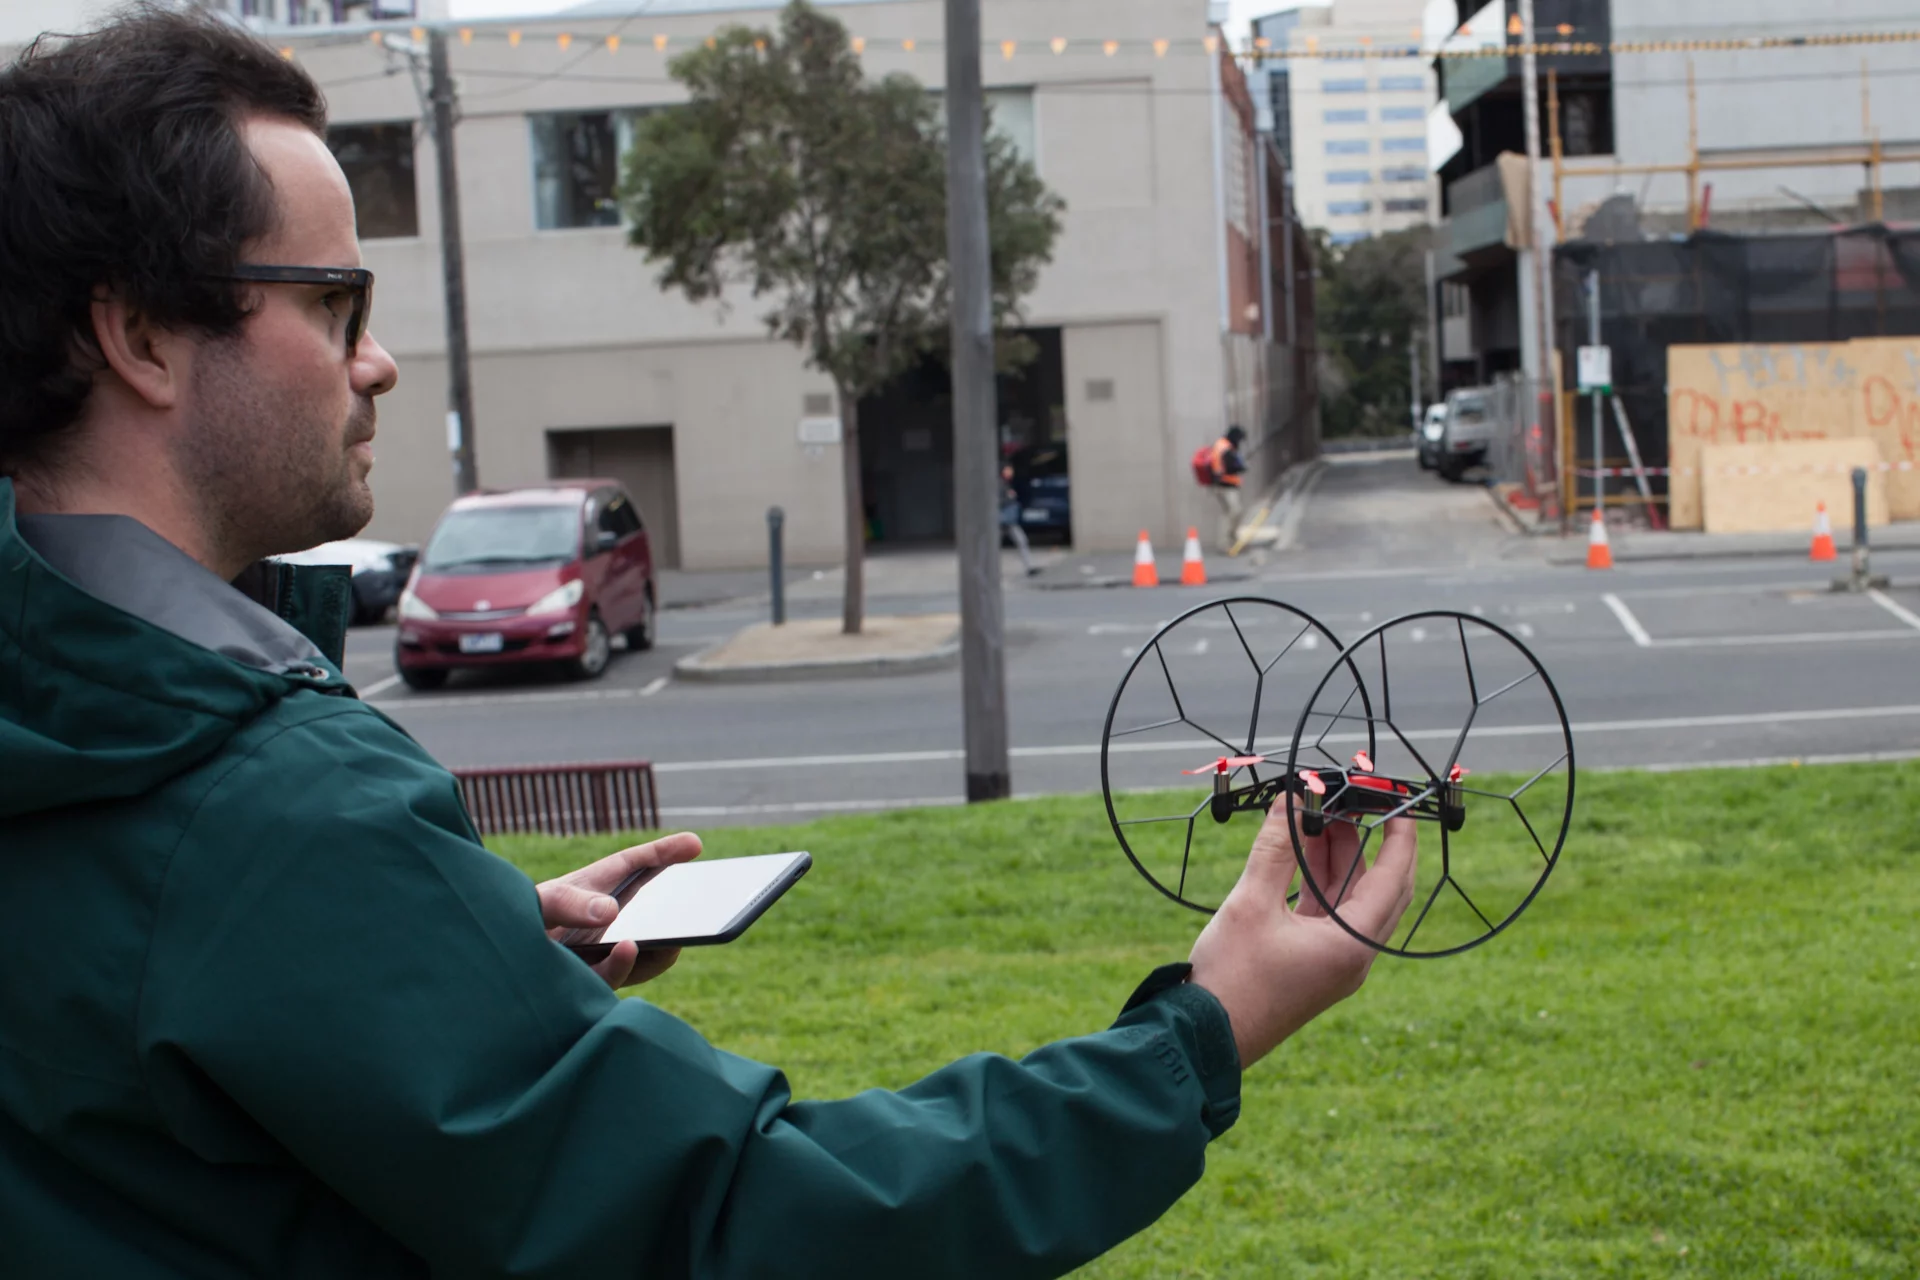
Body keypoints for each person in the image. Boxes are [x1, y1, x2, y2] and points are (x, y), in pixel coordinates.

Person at [0, 10, 1418, 1277]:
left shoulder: (91, 741)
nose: (374, 359)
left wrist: (455, 956)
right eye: (331, 305)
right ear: (141, 337)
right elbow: (748, 1218)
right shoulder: (264, 814)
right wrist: (1208, 1029)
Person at [1209, 424, 1250, 553]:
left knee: (1232, 513)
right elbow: (1230, 467)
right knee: (1233, 513)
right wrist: (1242, 467)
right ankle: (1225, 543)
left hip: (1222, 485)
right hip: (1225, 486)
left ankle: (1232, 540)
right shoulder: (1225, 448)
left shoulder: (1221, 444)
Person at [1001, 462, 1041, 576]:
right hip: (1001, 521)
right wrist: (1009, 497)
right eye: (1008, 470)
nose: (1010, 472)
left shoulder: (1006, 483)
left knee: (1022, 541)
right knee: (992, 546)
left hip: (1008, 521)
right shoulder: (998, 484)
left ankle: (1029, 567)